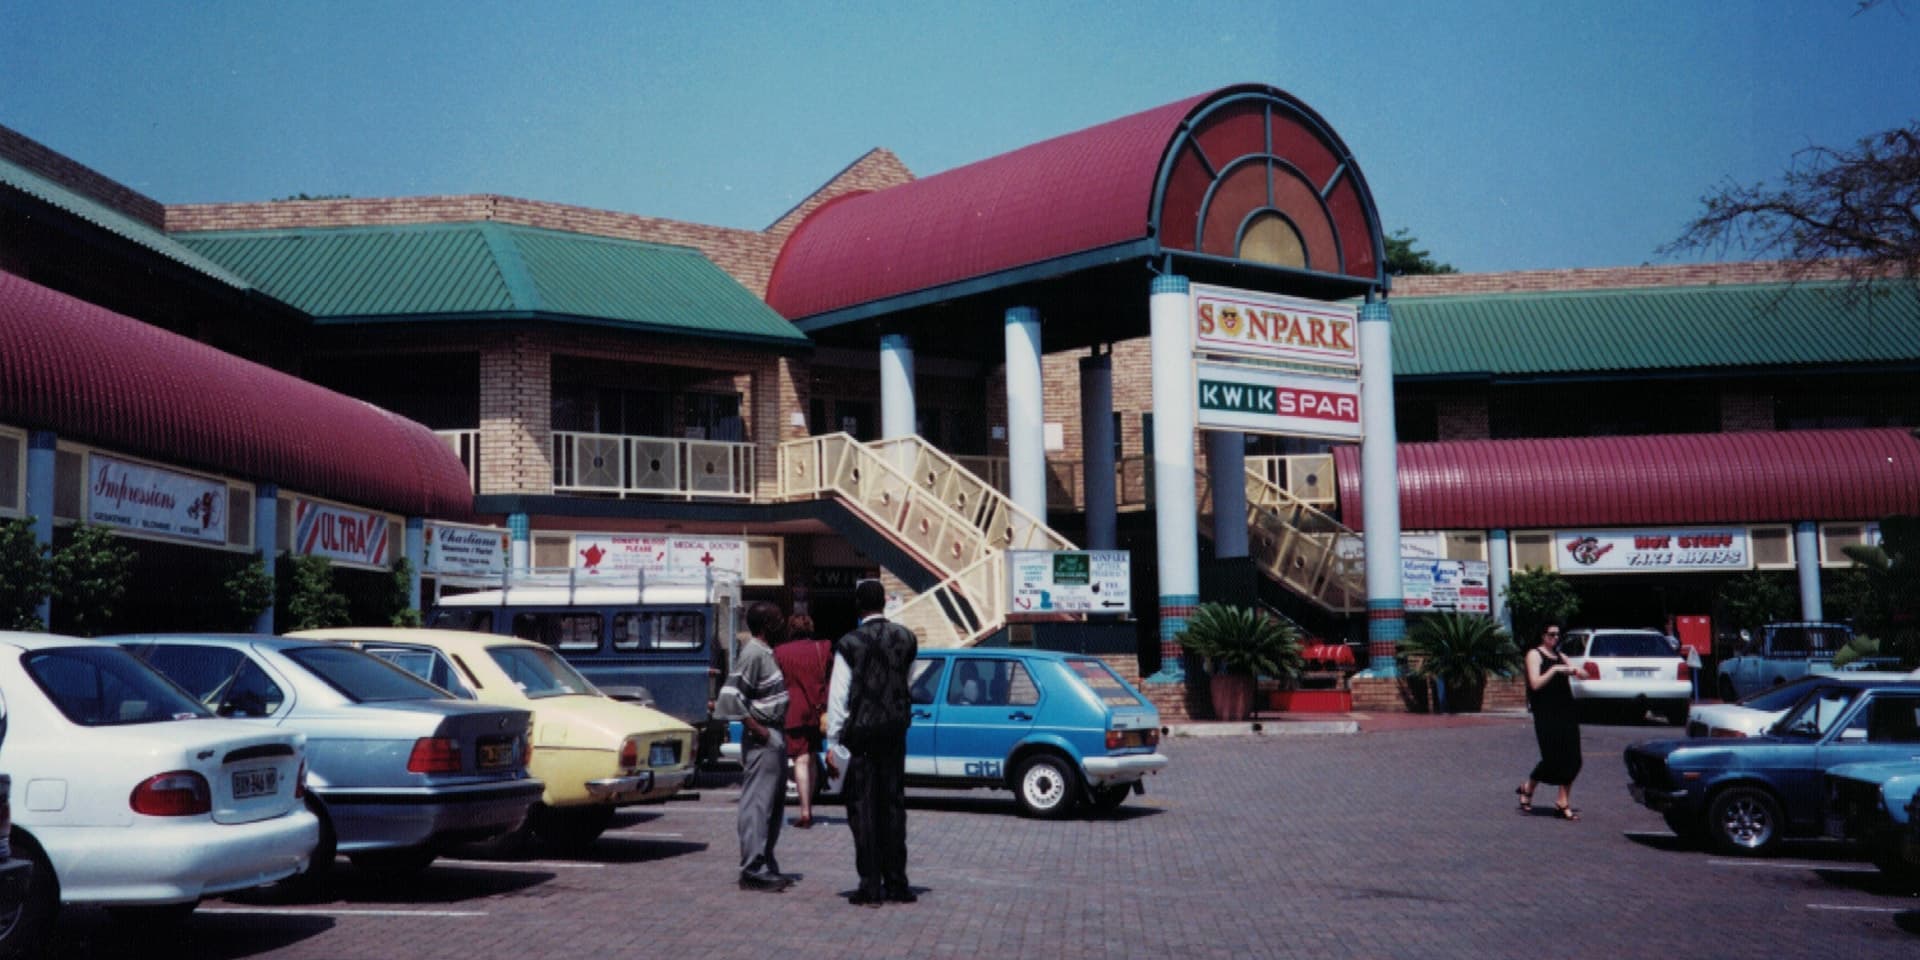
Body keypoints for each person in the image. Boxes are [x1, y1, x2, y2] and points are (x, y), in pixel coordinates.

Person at [824, 579, 919, 906]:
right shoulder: (907, 638)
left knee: (863, 809)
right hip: (894, 731)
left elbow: (838, 697)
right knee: (893, 806)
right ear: (884, 603)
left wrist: (833, 741)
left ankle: (870, 885)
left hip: (861, 735)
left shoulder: (849, 643)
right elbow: (908, 682)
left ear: (858, 605)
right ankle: (897, 882)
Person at [715, 601, 792, 891]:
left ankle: (765, 861)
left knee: (772, 806)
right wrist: (757, 729)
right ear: (766, 625)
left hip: (774, 734)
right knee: (758, 805)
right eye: (778, 619)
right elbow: (730, 696)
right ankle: (752, 868)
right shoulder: (753, 653)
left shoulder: (766, 653)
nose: (783, 623)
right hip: (764, 736)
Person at [1516, 622, 1582, 821]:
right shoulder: (1534, 654)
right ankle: (1528, 787)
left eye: (1558, 635)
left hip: (1566, 711)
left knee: (1574, 759)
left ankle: (1562, 801)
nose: (1555, 638)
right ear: (1543, 635)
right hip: (1546, 713)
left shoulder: (1561, 656)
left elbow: (1583, 674)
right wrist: (1554, 670)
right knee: (1552, 759)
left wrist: (1575, 670)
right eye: (1552, 634)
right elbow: (1535, 684)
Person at [773, 613, 832, 829]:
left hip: (792, 711)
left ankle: (805, 811)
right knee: (812, 757)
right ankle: (810, 806)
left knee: (800, 760)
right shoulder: (823, 648)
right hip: (817, 711)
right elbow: (830, 679)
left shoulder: (779, 652)